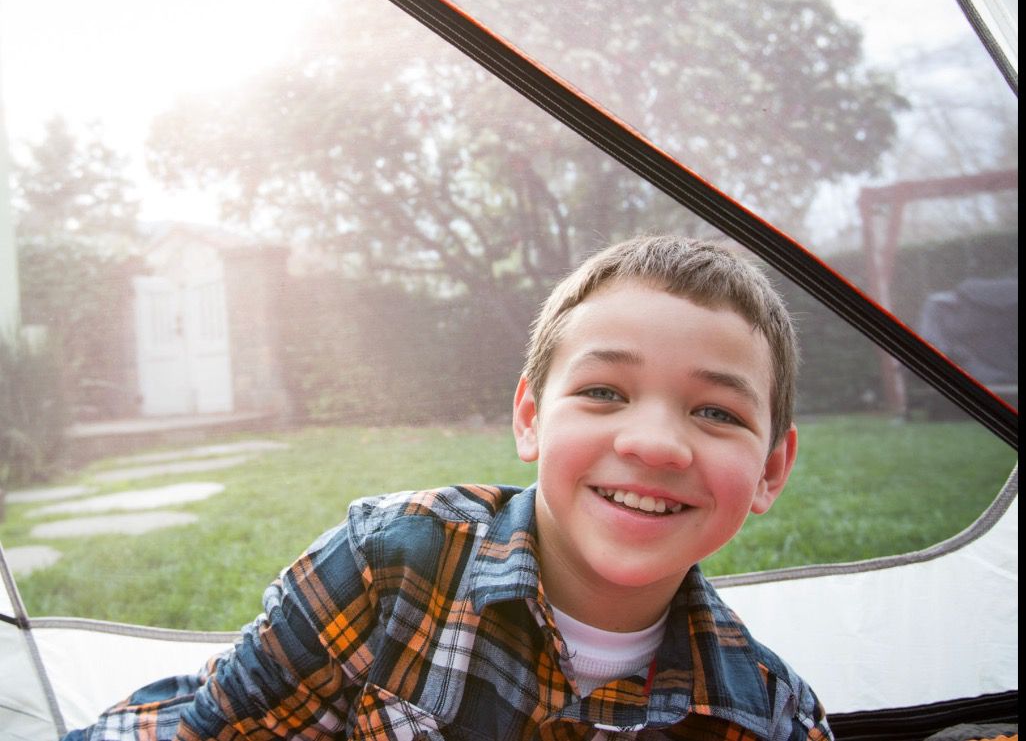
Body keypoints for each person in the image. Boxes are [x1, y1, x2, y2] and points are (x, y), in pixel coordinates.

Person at [65, 235, 830, 740]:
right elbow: (212, 727)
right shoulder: (387, 564)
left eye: (714, 410)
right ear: (529, 418)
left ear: (770, 468)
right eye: (603, 392)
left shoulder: (769, 716)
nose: (655, 442)